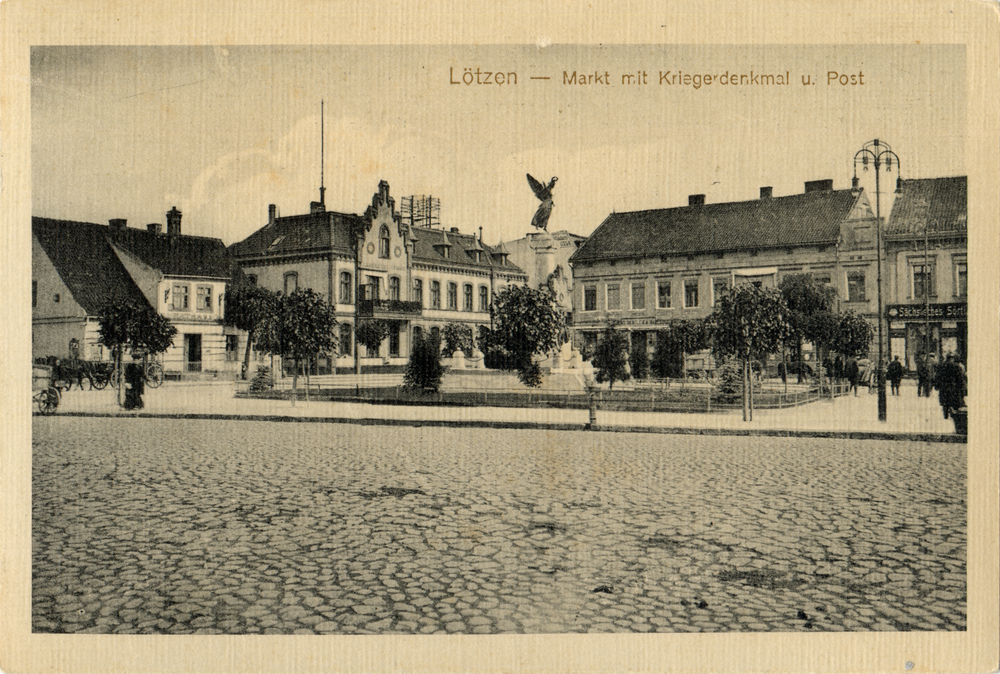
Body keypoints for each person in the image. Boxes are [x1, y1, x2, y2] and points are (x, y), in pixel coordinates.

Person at [934, 354, 965, 419]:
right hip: (953, 387)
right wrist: (961, 386)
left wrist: (937, 385)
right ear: (952, 358)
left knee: (945, 401)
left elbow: (937, 376)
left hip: (943, 386)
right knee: (953, 401)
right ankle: (953, 414)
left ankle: (945, 414)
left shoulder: (940, 366)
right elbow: (959, 378)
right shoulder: (956, 366)